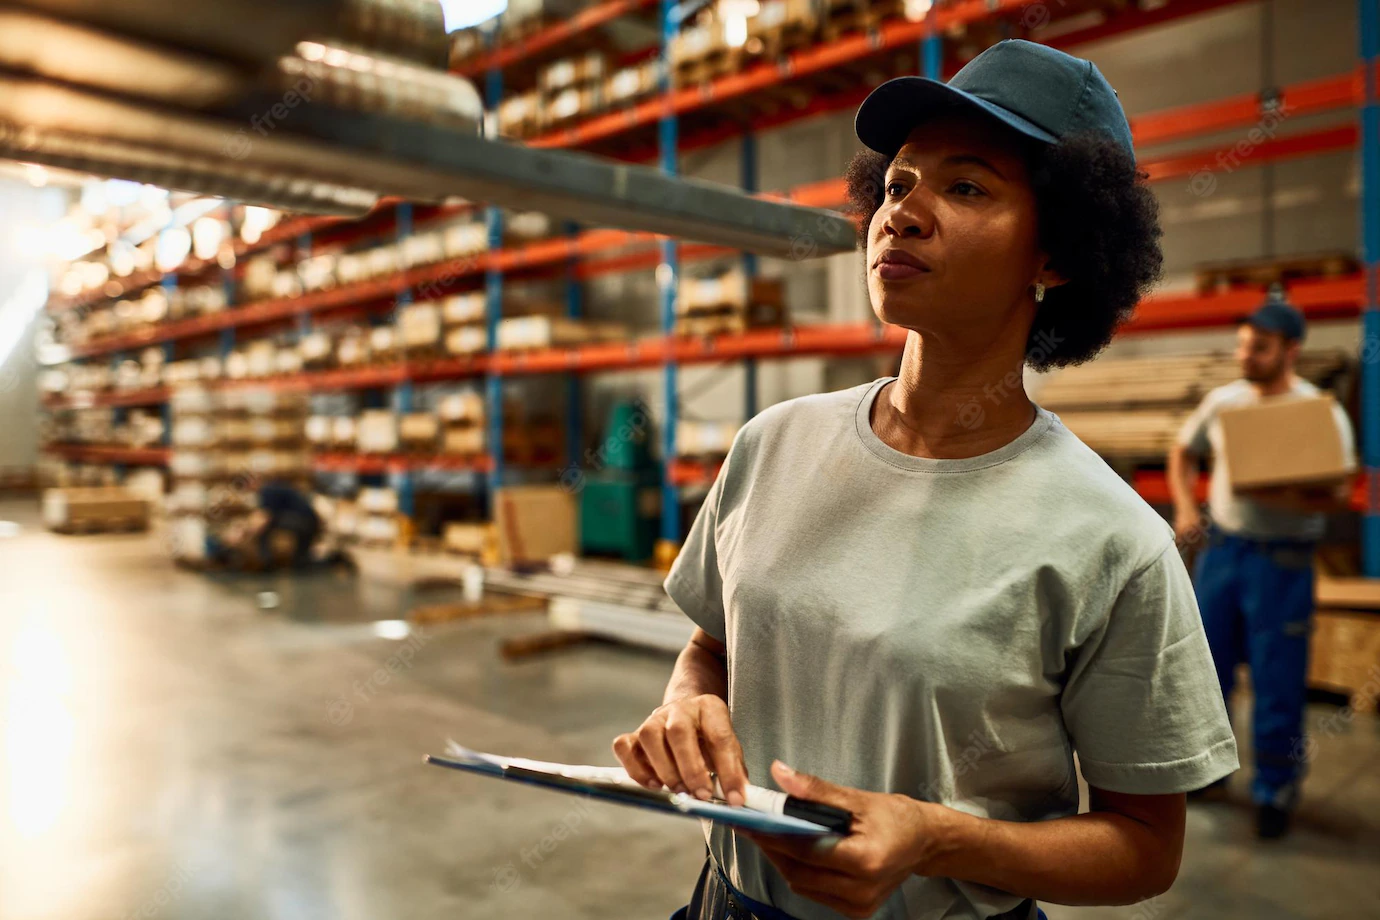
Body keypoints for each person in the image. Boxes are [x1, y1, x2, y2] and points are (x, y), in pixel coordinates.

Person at [613, 39, 1238, 920]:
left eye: (967, 186)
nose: (903, 212)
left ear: (1056, 254)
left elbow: (1143, 846)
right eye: (899, 182)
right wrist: (686, 707)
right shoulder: (775, 444)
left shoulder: (1112, 542)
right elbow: (714, 646)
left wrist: (938, 837)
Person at [1168, 296, 1355, 839]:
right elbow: (1184, 450)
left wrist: (1288, 492)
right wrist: (1184, 506)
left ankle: (1275, 788)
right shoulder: (1224, 402)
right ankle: (1211, 772)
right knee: (1209, 670)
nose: (1246, 355)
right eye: (1244, 344)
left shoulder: (1319, 411)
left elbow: (1340, 491)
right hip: (1225, 554)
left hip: (1283, 561)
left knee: (1277, 682)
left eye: (1260, 348)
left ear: (1291, 351)